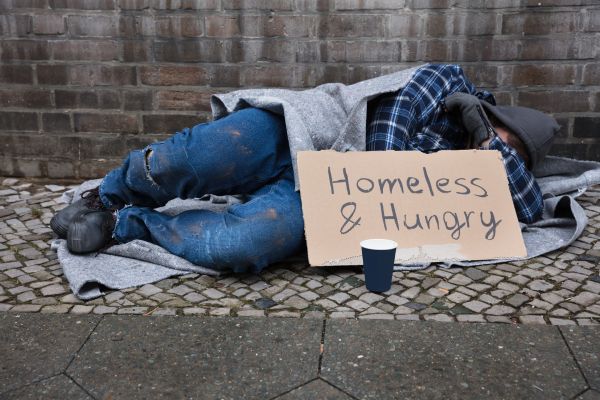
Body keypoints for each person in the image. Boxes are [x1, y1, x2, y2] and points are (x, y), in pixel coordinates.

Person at [50, 64, 559, 273]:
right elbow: (388, 135)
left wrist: (491, 148)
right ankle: (110, 192)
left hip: (325, 195)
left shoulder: (483, 167)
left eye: (505, 158)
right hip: (300, 131)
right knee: (203, 155)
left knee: (244, 245)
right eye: (497, 137)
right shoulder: (449, 83)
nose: (493, 156)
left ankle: (120, 225)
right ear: (491, 113)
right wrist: (470, 124)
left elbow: (530, 210)